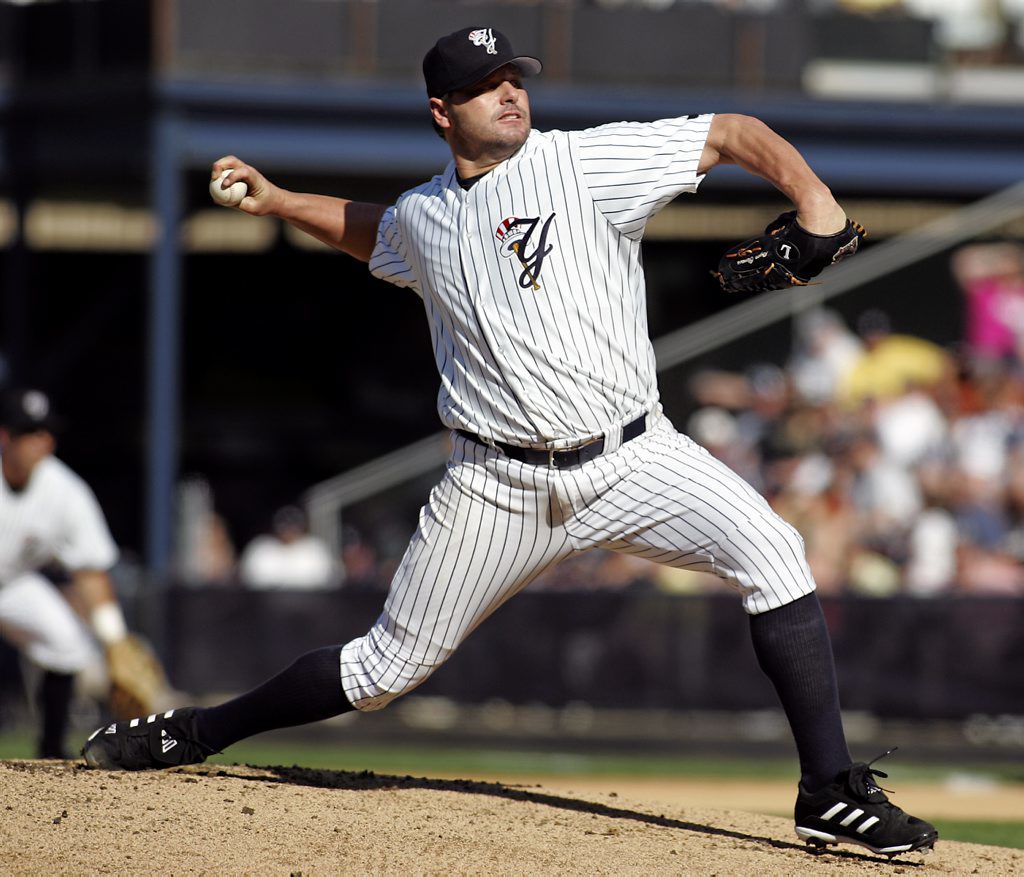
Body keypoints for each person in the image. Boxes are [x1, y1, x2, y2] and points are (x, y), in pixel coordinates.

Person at [83, 26, 938, 858]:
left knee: (776, 551)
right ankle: (195, 730)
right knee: (384, 670)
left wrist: (816, 201)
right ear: (440, 111)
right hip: (494, 487)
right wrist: (276, 201)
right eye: (487, 87)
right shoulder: (425, 216)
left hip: (633, 456)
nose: (510, 93)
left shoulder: (580, 164)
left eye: (515, 80)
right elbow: (373, 232)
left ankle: (827, 789)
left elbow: (731, 132)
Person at [0, 388, 135, 758]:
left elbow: (90, 571)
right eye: (31, 432)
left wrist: (115, 640)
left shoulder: (66, 491)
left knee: (68, 641)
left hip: (10, 585)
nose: (43, 441)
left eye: (46, 432)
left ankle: (50, 749)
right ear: (5, 436)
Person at [238, 505, 340, 590]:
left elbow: (326, 583)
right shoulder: (261, 549)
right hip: (269, 607)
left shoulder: (315, 548)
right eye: (285, 527)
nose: (289, 532)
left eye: (293, 527)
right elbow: (250, 584)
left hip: (308, 606)